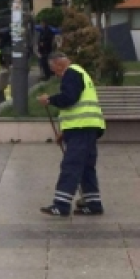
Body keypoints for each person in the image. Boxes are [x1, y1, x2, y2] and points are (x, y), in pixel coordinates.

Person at [37, 51, 105, 217]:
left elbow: (69, 98)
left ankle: (61, 205)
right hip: (88, 127)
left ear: (59, 64)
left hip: (81, 128)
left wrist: (50, 100)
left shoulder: (71, 73)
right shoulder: (80, 72)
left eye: (54, 69)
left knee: (71, 165)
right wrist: (64, 133)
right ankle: (93, 203)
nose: (55, 73)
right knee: (86, 168)